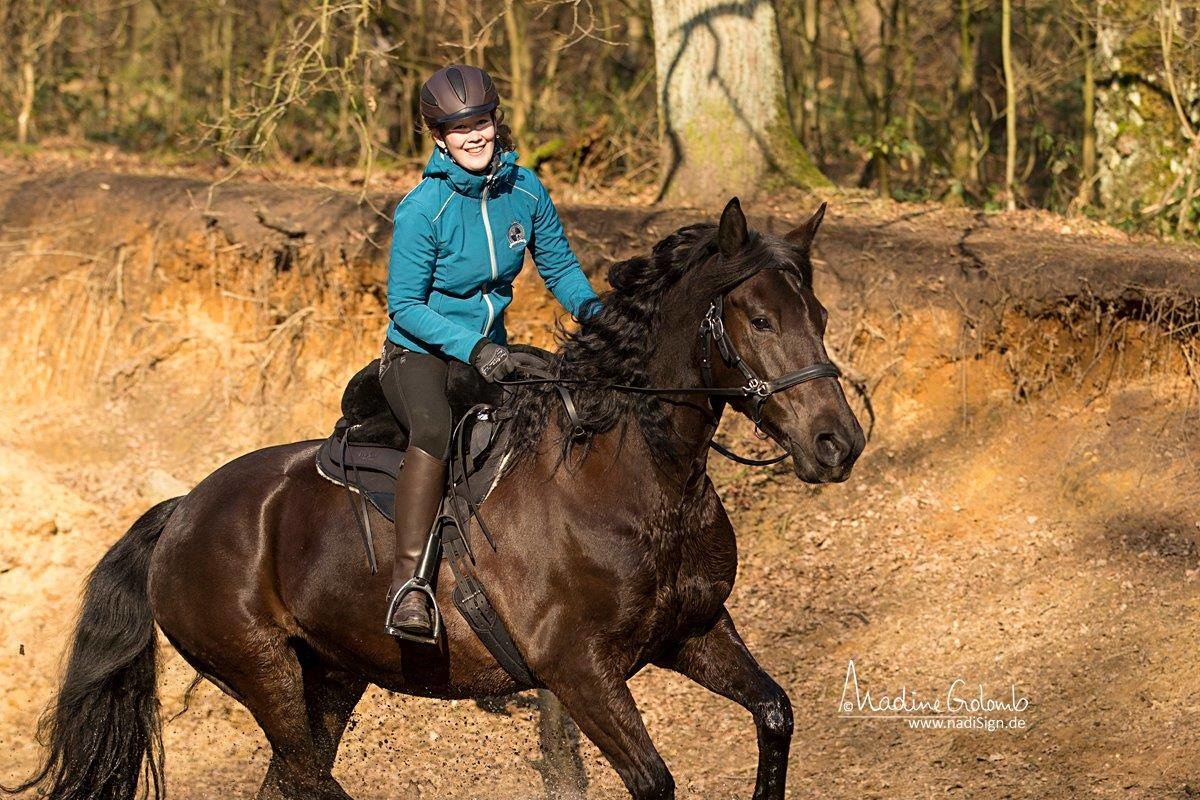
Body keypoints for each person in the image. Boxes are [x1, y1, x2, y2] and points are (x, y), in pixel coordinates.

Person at [381, 63, 601, 639]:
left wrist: (598, 314)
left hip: (490, 351)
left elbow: (560, 267)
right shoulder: (421, 210)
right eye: (459, 128)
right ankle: (410, 585)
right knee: (432, 428)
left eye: (481, 122)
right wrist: (472, 347)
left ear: (496, 122)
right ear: (439, 138)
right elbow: (405, 307)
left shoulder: (525, 190)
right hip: (420, 354)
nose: (474, 136)